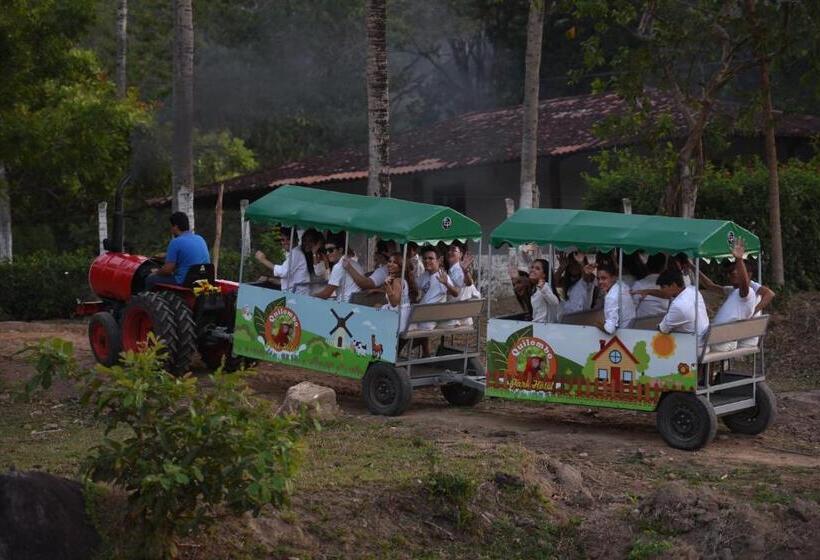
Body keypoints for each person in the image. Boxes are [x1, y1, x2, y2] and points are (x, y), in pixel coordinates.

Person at [145, 212, 210, 290]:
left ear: (175, 227)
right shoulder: (200, 238)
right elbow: (187, 255)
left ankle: (150, 301)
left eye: (171, 227)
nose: (171, 229)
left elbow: (167, 270)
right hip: (203, 280)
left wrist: (156, 271)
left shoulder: (175, 242)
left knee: (150, 279)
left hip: (185, 282)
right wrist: (166, 255)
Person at [651, 268, 709, 346]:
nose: (661, 290)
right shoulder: (693, 290)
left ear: (674, 285)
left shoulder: (678, 305)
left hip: (693, 347)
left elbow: (662, 330)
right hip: (705, 342)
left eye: (663, 287)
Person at [255, 229, 322, 295]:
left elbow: (283, 272)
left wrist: (263, 260)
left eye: (289, 239)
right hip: (296, 294)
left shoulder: (296, 253)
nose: (285, 242)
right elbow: (289, 280)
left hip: (296, 297)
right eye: (283, 240)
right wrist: (269, 279)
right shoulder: (297, 252)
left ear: (296, 240)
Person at [314, 234, 362, 302]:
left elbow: (326, 294)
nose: (327, 253)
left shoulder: (338, 266)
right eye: (326, 250)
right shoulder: (355, 263)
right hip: (355, 303)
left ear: (340, 250)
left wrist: (309, 296)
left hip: (344, 305)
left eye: (330, 250)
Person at [595, 262, 636, 334]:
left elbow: (609, 329)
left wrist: (596, 324)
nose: (600, 282)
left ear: (613, 278)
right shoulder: (622, 285)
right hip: (630, 330)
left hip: (622, 336)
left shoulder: (611, 297)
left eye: (604, 278)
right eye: (598, 279)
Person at [381, 252, 418, 332]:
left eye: (394, 262)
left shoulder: (397, 281)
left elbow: (394, 302)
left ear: (401, 266)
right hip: (404, 317)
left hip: (398, 321)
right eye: (389, 261)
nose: (390, 264)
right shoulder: (403, 280)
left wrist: (386, 285)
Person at [631, 253, 670, 318]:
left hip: (641, 325)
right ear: (664, 268)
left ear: (647, 266)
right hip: (663, 323)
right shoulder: (669, 286)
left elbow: (632, 308)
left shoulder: (638, 284)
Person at [557, 252, 595, 316]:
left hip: (582, 319)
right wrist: (561, 268)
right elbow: (554, 282)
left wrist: (581, 263)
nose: (573, 266)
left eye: (575, 263)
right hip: (568, 317)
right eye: (570, 264)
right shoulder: (568, 280)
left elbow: (586, 276)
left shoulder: (588, 278)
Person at [529, 259, 560, 323]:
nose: (532, 270)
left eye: (537, 268)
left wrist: (543, 288)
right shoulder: (535, 288)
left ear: (544, 274)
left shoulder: (545, 286)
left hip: (545, 327)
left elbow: (555, 302)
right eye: (532, 267)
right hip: (537, 326)